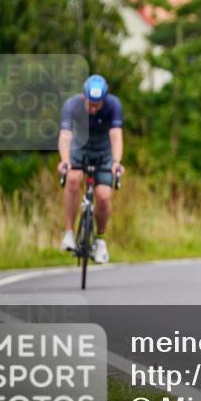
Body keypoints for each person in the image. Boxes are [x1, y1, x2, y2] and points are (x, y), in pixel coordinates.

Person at [57, 74, 124, 264]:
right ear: (83, 97)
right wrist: (64, 160)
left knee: (103, 196)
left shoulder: (113, 105)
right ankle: (69, 232)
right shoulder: (72, 105)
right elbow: (65, 136)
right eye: (90, 103)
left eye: (98, 104)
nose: (93, 108)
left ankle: (100, 241)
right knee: (72, 179)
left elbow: (116, 135)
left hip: (104, 151)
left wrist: (117, 161)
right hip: (80, 148)